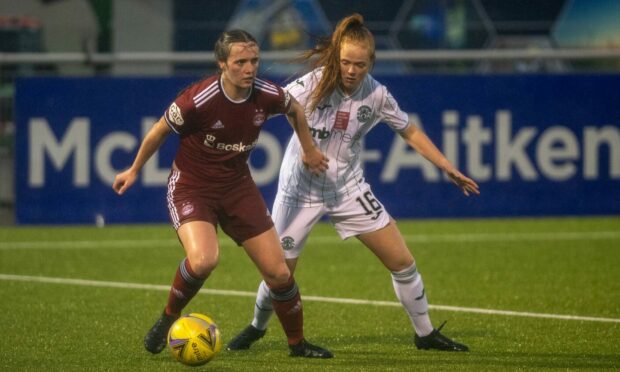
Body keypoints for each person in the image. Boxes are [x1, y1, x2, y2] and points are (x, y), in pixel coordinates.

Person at [227, 14, 480, 353]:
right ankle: (256, 327)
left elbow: (410, 130)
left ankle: (425, 334)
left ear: (370, 63)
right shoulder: (313, 83)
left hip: (348, 189)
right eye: (345, 62)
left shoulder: (376, 94)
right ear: (336, 58)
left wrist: (446, 166)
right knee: (279, 274)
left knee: (402, 262)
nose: (351, 71)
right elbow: (274, 107)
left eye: (359, 64)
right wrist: (301, 146)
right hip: (299, 191)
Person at [112, 29, 333, 359]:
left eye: (254, 61)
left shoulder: (267, 94)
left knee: (278, 272)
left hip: (237, 188)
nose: (249, 68)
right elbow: (159, 131)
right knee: (204, 260)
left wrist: (309, 148)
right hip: (192, 188)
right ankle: (168, 318)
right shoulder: (198, 99)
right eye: (240, 62)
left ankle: (297, 344)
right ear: (222, 64)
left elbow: (296, 109)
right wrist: (133, 169)